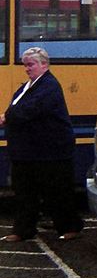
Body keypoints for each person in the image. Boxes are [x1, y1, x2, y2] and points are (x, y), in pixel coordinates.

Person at [1, 47, 83, 242]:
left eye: (31, 65)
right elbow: (17, 106)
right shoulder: (28, 86)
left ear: (44, 64)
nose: (27, 69)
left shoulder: (49, 86)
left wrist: (7, 117)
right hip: (27, 151)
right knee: (24, 192)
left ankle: (70, 226)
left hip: (50, 151)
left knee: (57, 192)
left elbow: (31, 109)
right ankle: (23, 230)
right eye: (25, 65)